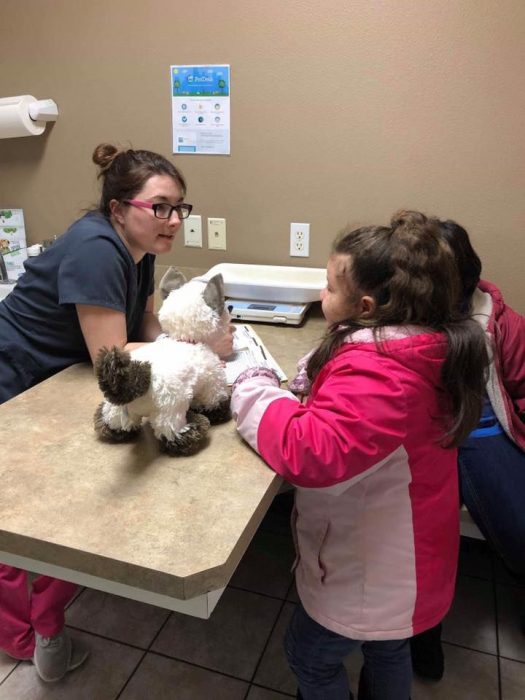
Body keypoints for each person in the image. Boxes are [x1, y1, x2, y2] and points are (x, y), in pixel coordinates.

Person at [230, 210, 489, 700]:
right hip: (406, 559)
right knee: (389, 650)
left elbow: (309, 451)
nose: (320, 295)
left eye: (328, 287)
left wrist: (252, 386)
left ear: (365, 306)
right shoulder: (417, 349)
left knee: (308, 655)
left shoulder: (384, 375)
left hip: (374, 571)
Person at [0, 143, 233, 682]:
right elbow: (112, 357)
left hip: (59, 374)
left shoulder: (140, 247)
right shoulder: (96, 249)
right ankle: (18, 638)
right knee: (20, 511)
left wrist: (197, 340)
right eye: (161, 207)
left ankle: (40, 617)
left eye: (180, 208)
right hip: (16, 374)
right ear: (118, 207)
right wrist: (201, 356)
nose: (173, 220)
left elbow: (143, 326)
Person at [410, 219, 525, 681]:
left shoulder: (499, 323)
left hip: (485, 430)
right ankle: (423, 640)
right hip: (422, 437)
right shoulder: (398, 316)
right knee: (421, 540)